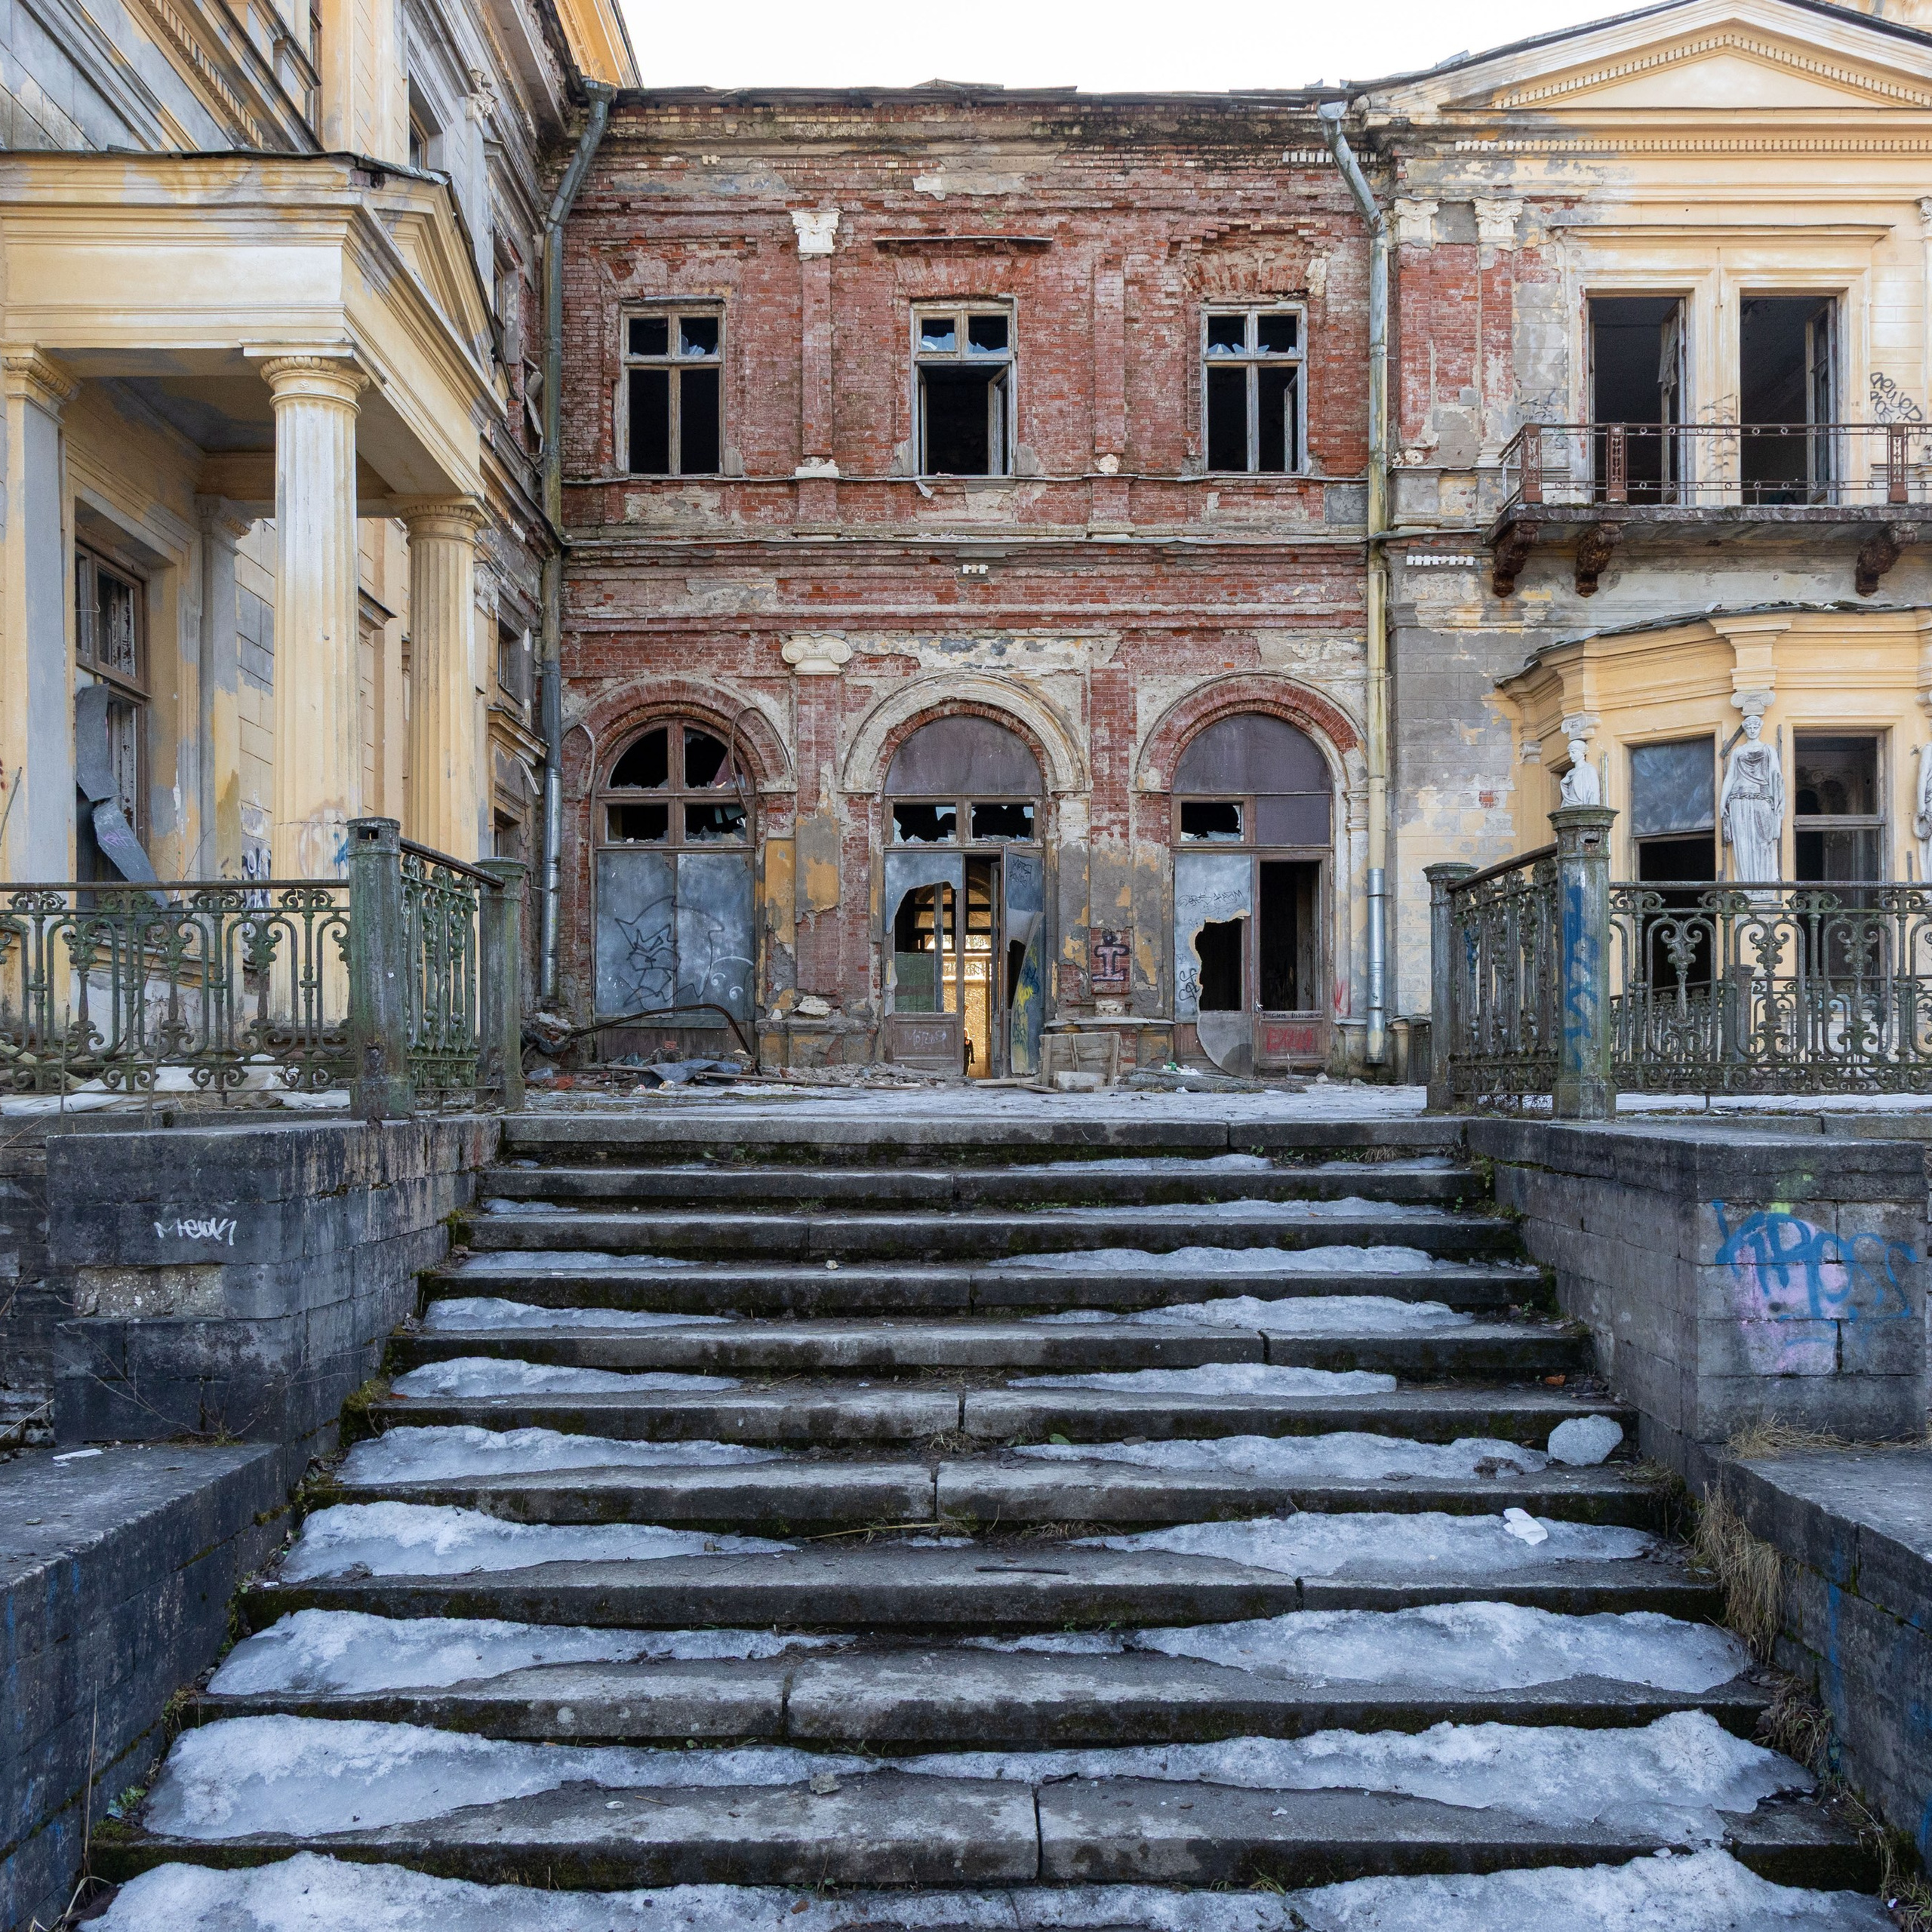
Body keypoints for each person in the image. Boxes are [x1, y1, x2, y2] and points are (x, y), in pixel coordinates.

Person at [1720, 713, 1783, 882]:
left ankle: (1763, 885)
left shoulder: (1768, 749)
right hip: (1738, 799)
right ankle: (1746, 885)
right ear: (1745, 730)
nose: (1753, 731)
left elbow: (1775, 776)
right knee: (1743, 843)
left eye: (1756, 727)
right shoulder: (1738, 751)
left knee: (1764, 840)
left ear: (1760, 728)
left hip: (1762, 798)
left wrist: (1778, 804)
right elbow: (1731, 777)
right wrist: (1722, 803)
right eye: (1749, 728)